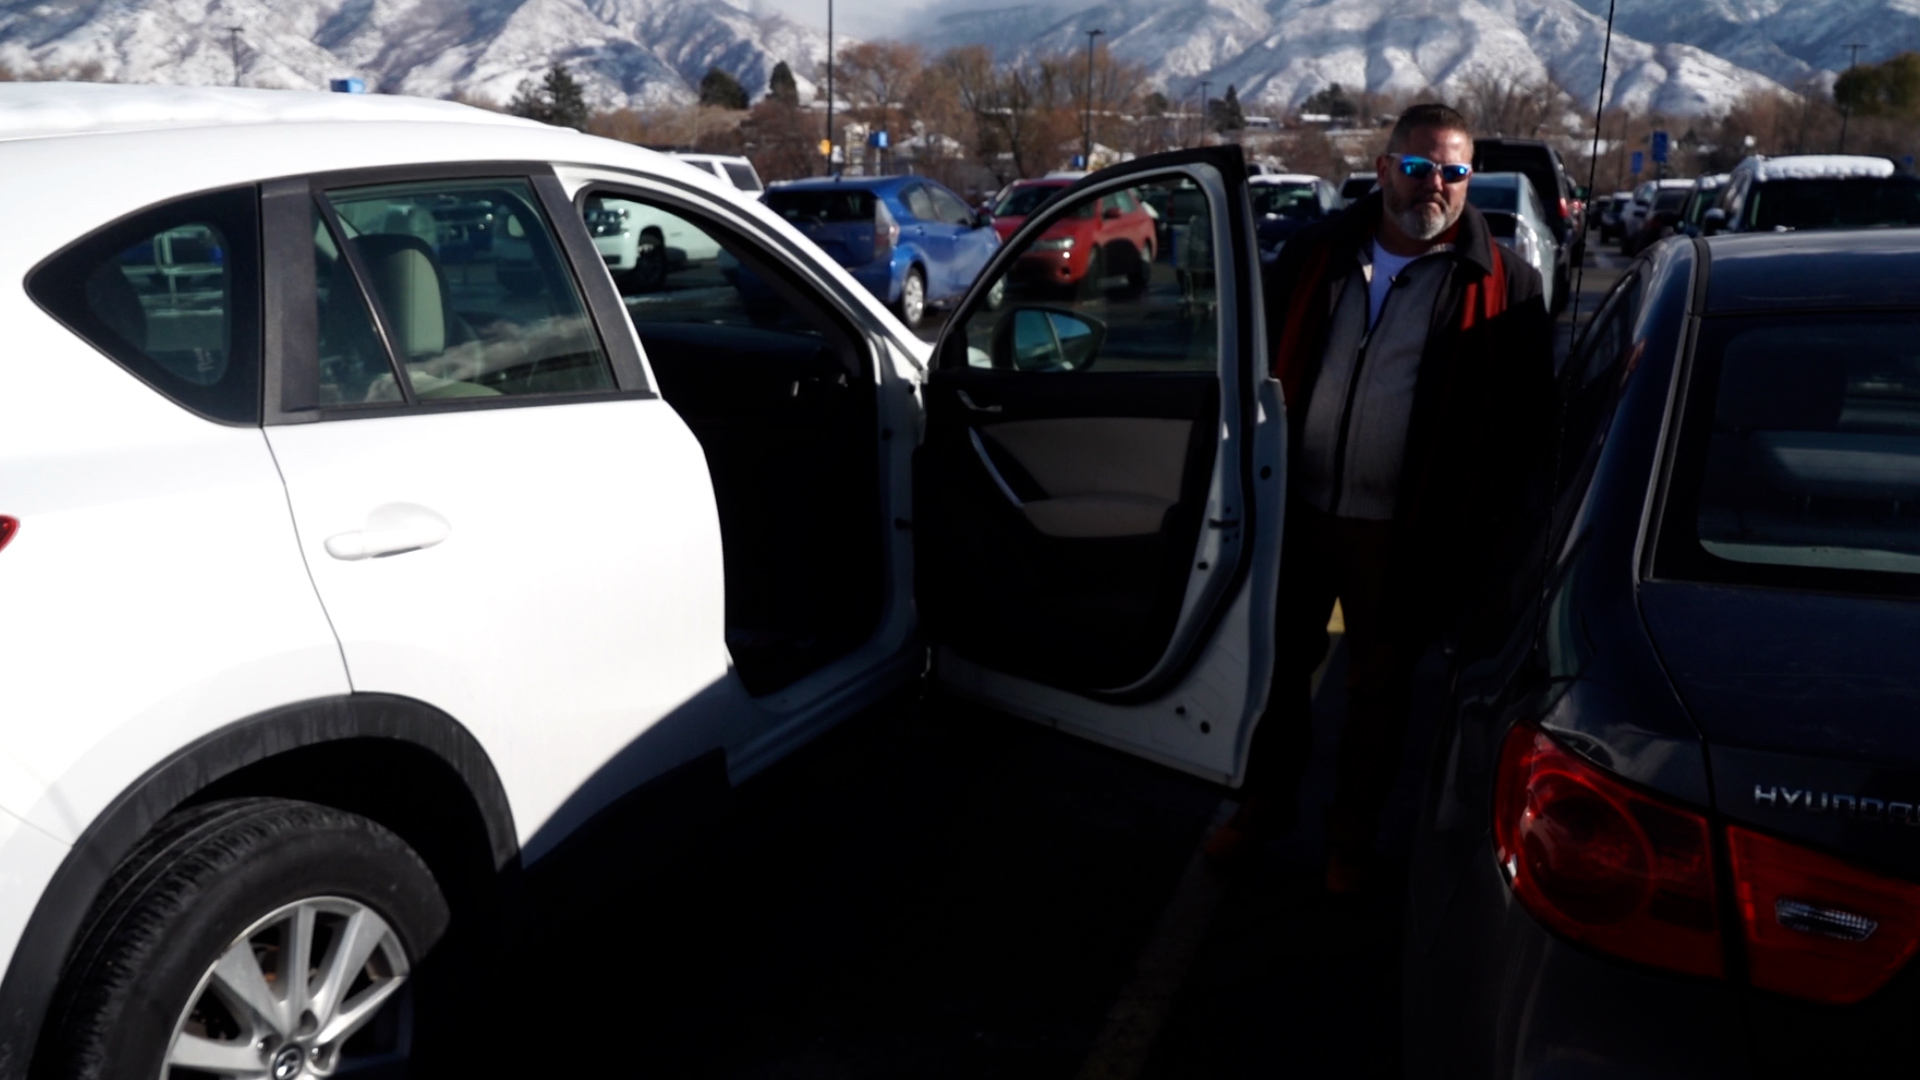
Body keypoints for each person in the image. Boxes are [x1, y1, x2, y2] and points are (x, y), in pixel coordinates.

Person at [1207, 103, 1554, 892]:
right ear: (1383, 170)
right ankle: (1262, 809)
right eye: (1420, 167)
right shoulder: (1315, 253)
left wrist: (1494, 532)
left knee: (1379, 691)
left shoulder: (1504, 283)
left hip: (1405, 529)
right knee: (1274, 669)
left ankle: (1349, 845)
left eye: (1455, 171)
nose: (1437, 184)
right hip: (1293, 510)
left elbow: (1529, 425)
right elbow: (1246, 361)